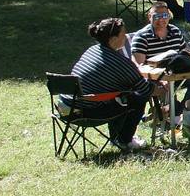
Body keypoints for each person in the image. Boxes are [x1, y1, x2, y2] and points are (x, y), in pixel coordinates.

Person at [69, 17, 167, 152]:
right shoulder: (120, 63)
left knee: (119, 97)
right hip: (86, 111)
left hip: (67, 107)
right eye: (123, 34)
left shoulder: (92, 50)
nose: (126, 37)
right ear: (113, 39)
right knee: (137, 98)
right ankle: (124, 140)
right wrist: (162, 89)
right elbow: (145, 90)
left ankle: (117, 138)